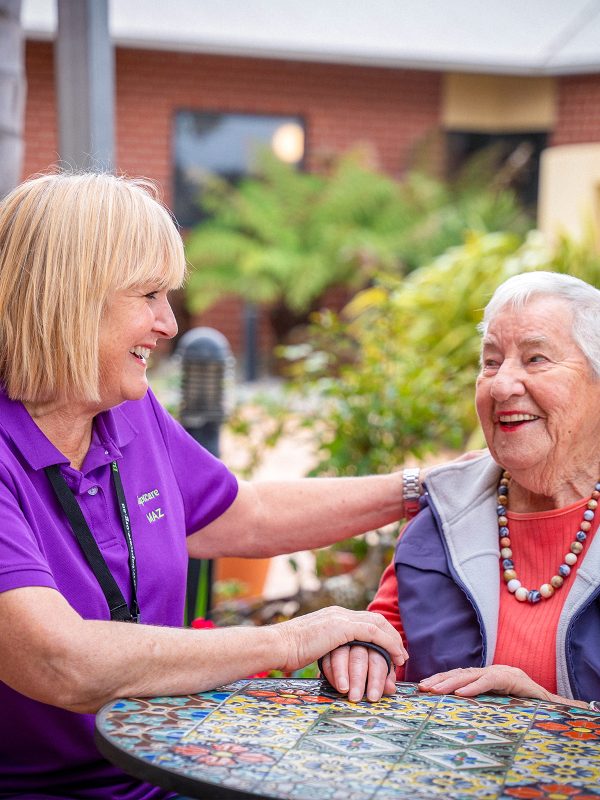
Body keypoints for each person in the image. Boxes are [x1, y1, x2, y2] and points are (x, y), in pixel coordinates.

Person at [0, 172, 415, 799]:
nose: (168, 323)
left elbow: (242, 515)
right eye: (149, 295)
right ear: (71, 296)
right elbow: (62, 661)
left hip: (169, 770)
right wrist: (293, 637)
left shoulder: (125, 411)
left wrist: (418, 488)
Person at [321, 271, 600, 714]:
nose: (502, 385)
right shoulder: (445, 512)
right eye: (490, 362)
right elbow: (382, 635)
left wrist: (548, 711)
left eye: (536, 359)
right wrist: (360, 653)